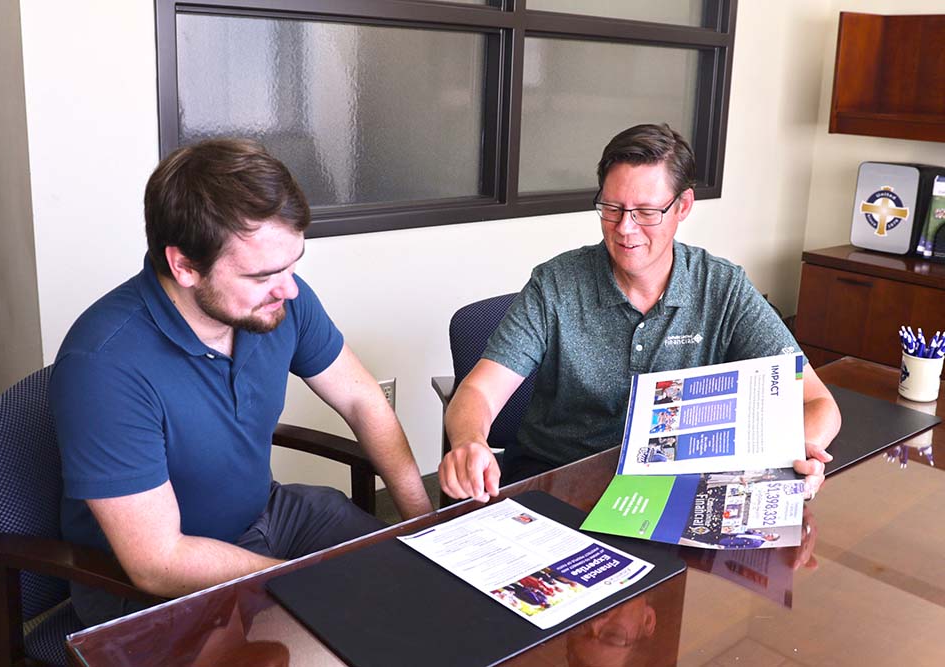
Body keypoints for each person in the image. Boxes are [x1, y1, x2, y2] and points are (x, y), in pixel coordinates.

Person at [51, 138, 432, 626]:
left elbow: (362, 399)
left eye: (294, 264)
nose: (289, 288)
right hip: (154, 585)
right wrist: (301, 582)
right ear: (184, 266)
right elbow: (157, 561)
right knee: (343, 633)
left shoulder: (278, 302)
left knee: (417, 581)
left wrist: (425, 522)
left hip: (269, 515)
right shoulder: (102, 366)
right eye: (263, 275)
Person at [439, 123, 841, 503]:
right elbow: (477, 391)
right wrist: (469, 441)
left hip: (675, 486)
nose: (625, 229)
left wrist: (795, 452)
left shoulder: (722, 288)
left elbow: (819, 404)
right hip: (558, 478)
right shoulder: (555, 285)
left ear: (683, 206)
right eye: (612, 208)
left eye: (646, 212)